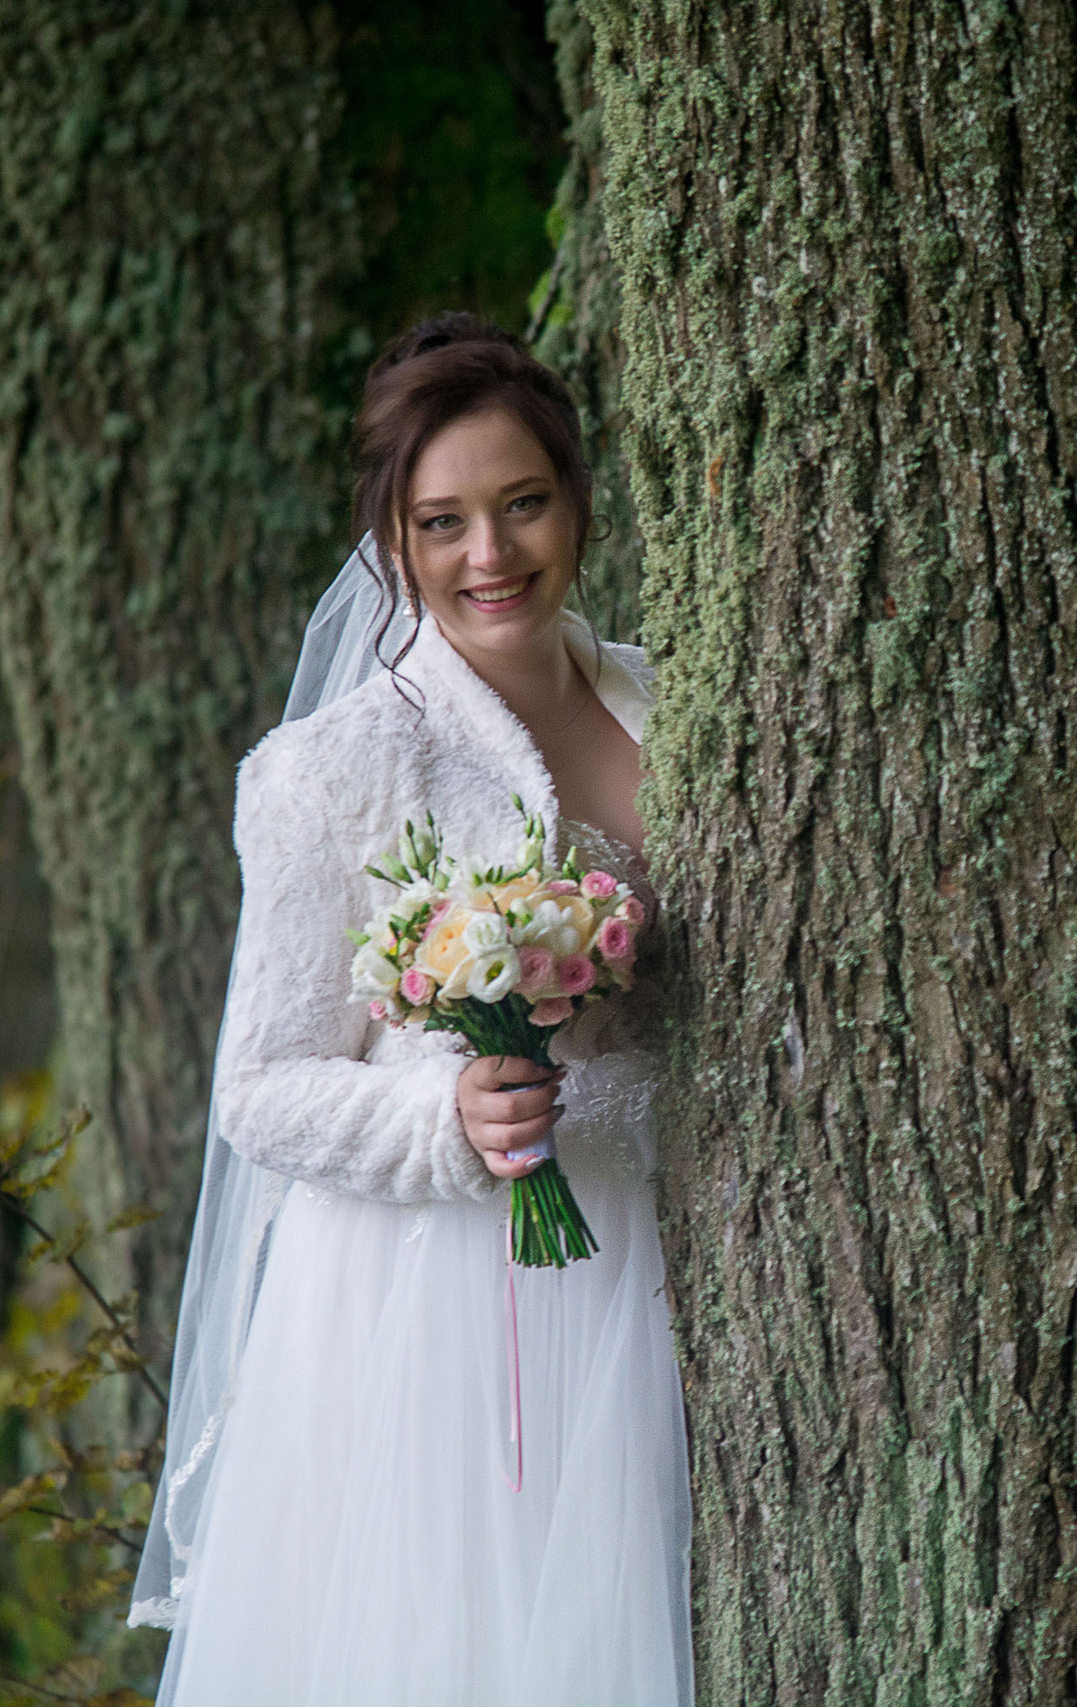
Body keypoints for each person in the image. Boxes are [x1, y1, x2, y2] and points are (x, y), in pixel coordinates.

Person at [130, 315, 693, 1704]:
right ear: (394, 539)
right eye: (442, 522)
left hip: (671, 1246)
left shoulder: (673, 701)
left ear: (575, 499)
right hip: (442, 1297)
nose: (488, 556)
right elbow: (261, 1087)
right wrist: (445, 1112)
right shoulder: (334, 767)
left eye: (522, 504)